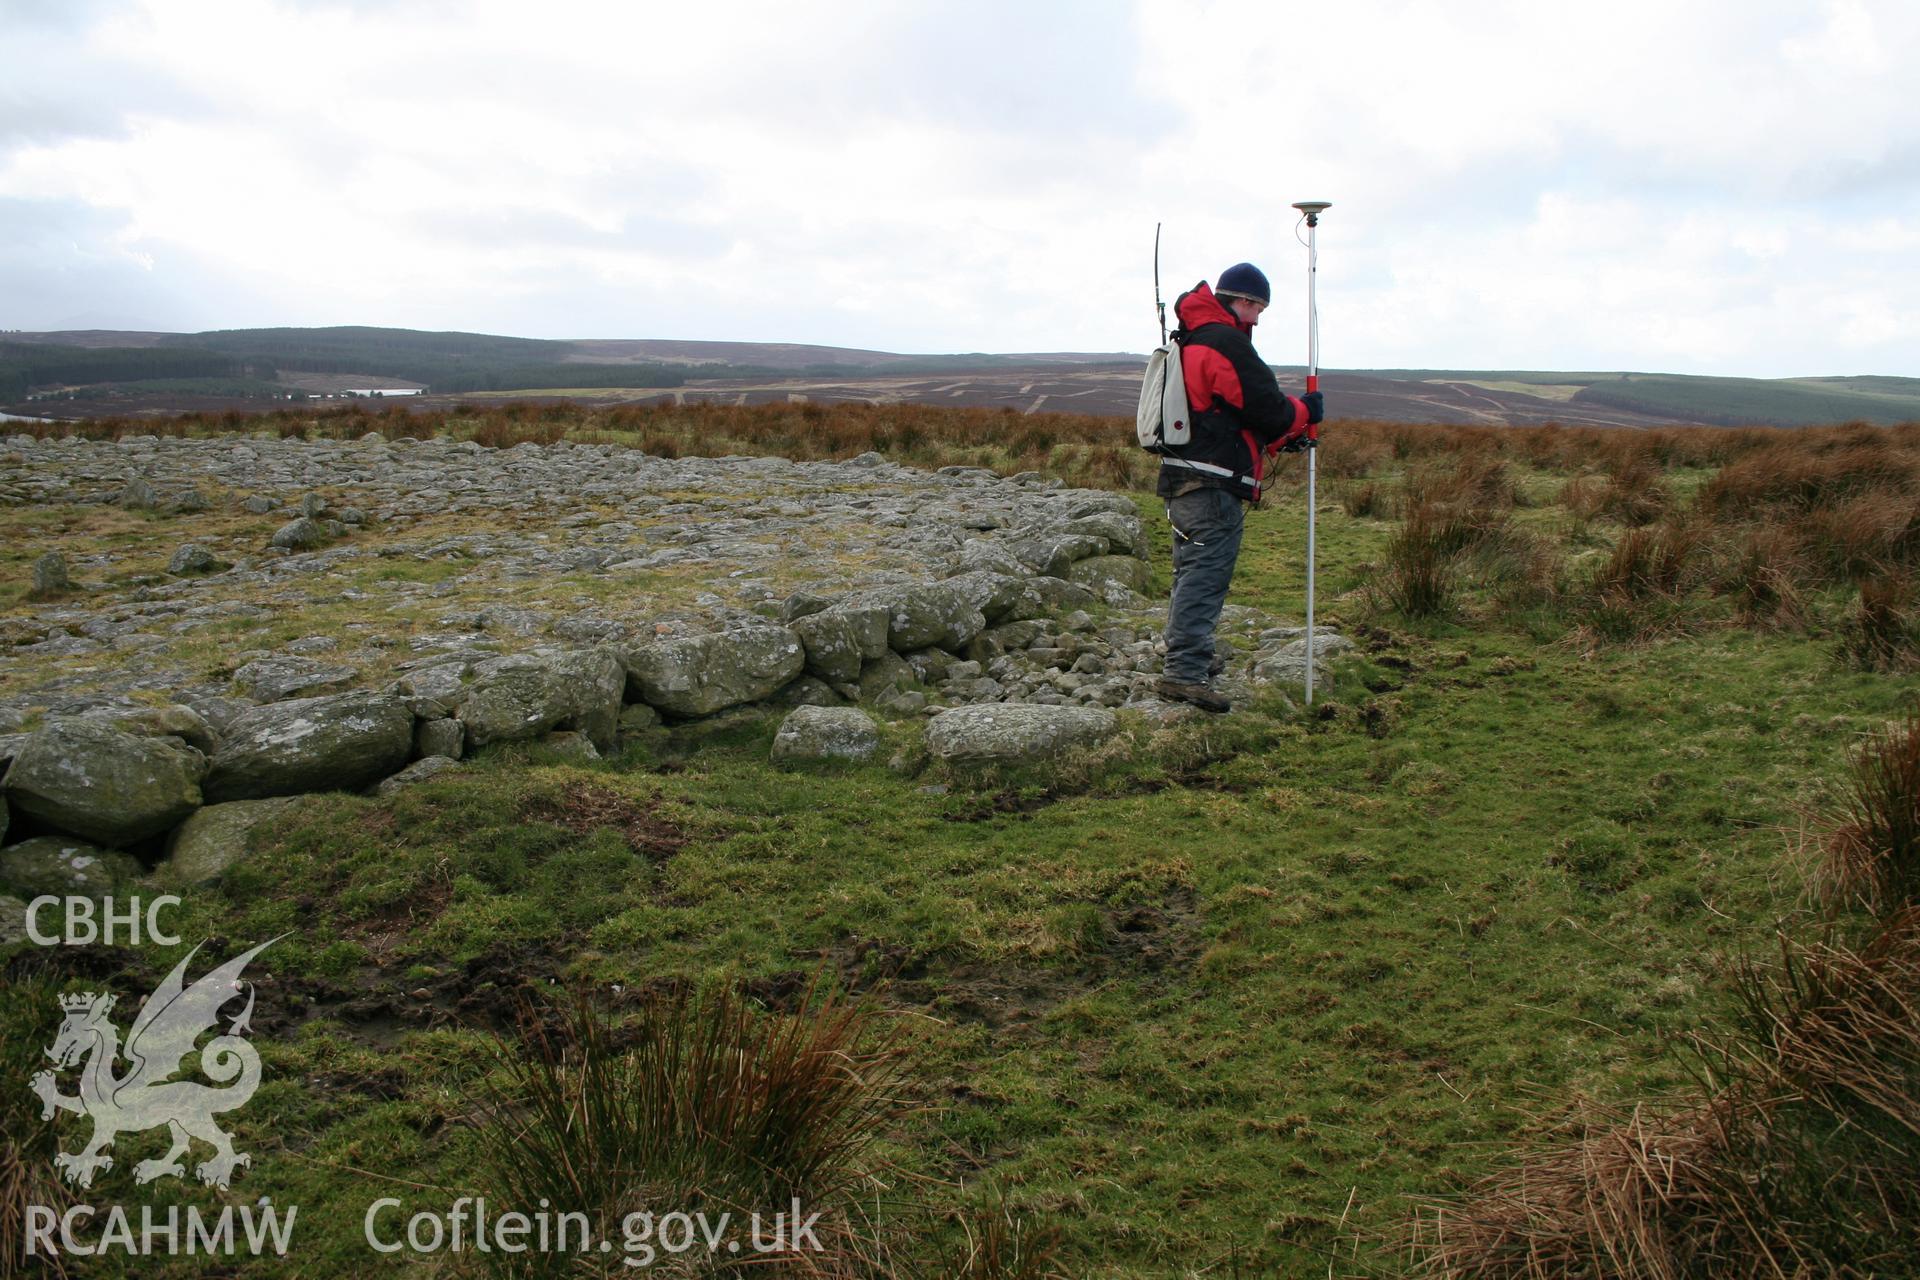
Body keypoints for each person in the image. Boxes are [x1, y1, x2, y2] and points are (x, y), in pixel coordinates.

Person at [1155, 262, 1325, 713]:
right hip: (1211, 486)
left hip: (1181, 478)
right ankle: (1184, 675)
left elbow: (1230, 413)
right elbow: (1267, 409)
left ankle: (1187, 659)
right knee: (1204, 577)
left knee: (1189, 573)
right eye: (1258, 307)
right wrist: (1305, 410)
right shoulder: (1223, 342)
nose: (1258, 318)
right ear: (1242, 301)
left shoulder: (1190, 337)